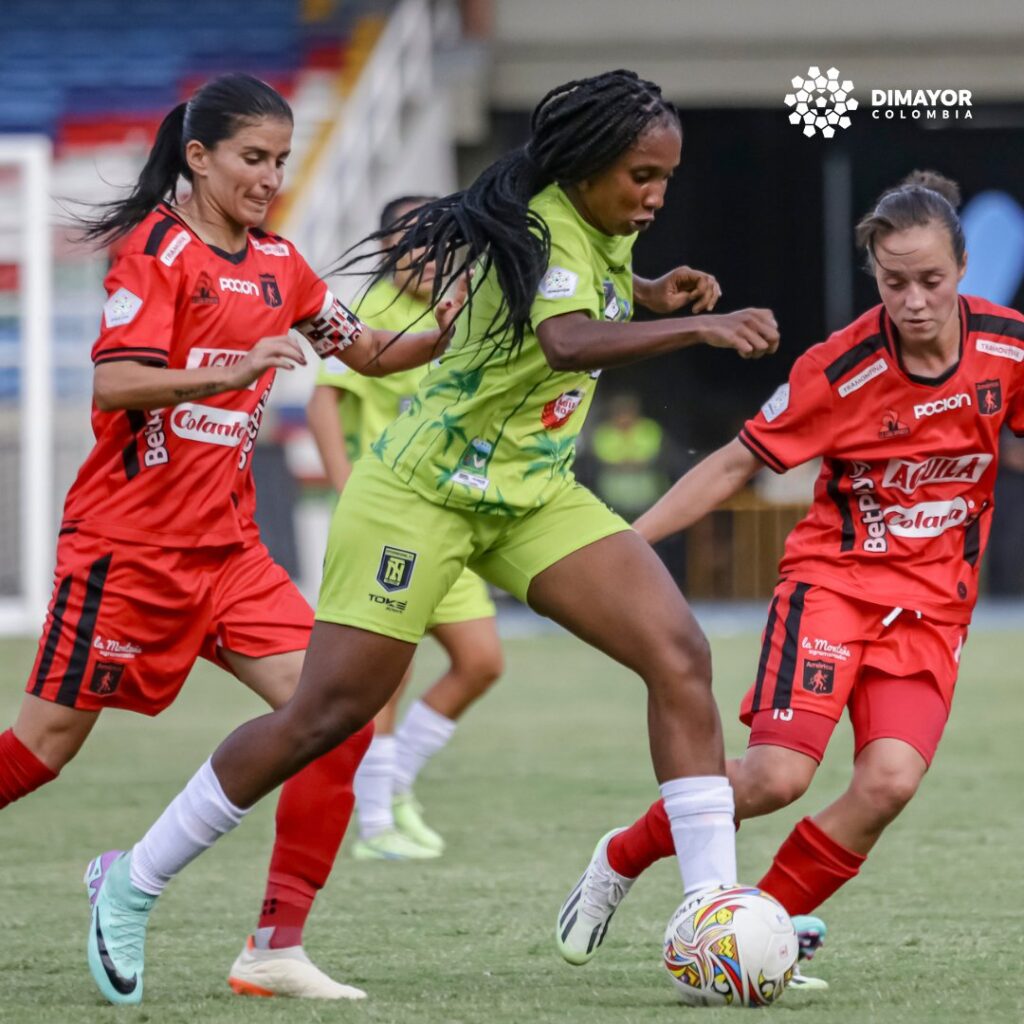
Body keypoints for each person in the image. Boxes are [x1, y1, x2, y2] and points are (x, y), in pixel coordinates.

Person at [82, 68, 781, 1006]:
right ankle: (133, 883)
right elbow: (567, 341)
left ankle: (712, 919)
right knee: (326, 717)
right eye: (640, 178)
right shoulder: (543, 222)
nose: (655, 198)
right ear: (584, 168)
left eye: (666, 179)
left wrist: (648, 293)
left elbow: (581, 310)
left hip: (531, 494)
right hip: (421, 494)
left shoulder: (596, 227)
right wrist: (698, 328)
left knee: (679, 652)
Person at [0, 73, 462, 1005]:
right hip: (127, 551)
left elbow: (367, 348)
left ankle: (273, 944)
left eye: (282, 160)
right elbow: (117, 386)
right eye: (254, 158)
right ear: (199, 156)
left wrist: (444, 331)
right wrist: (231, 371)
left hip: (232, 556)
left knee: (337, 718)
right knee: (43, 748)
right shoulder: (156, 252)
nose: (270, 176)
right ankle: (124, 887)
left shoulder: (282, 264)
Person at [555, 170, 1024, 991]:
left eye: (931, 281)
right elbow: (736, 461)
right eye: (893, 283)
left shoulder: (1007, 346)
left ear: (962, 268)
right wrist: (626, 542)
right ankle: (619, 858)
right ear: (874, 278)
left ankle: (748, 937)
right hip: (833, 590)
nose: (913, 300)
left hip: (932, 610)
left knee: (888, 784)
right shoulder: (839, 370)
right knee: (776, 777)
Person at [306, 195, 504, 859]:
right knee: (386, 672)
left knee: (481, 662)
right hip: (393, 516)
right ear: (389, 247)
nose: (427, 253)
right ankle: (372, 825)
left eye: (440, 239)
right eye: (413, 240)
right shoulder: (372, 316)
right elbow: (325, 408)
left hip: (450, 520)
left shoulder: (467, 312)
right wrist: (347, 491)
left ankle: (395, 787)